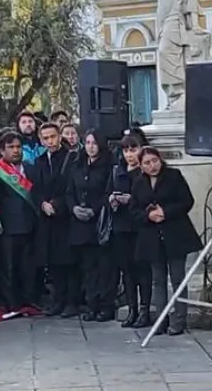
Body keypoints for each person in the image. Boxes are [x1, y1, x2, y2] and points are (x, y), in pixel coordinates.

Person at [131, 147, 202, 335]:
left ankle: (179, 319)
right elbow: (134, 210)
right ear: (141, 165)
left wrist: (166, 212)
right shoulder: (138, 183)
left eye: (154, 161)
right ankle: (161, 319)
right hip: (152, 237)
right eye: (147, 163)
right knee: (158, 280)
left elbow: (187, 201)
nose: (152, 166)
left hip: (175, 233)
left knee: (178, 278)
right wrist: (149, 215)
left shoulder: (173, 176)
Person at [67, 129, 115, 322]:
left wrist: (94, 210)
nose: (91, 147)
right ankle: (91, 304)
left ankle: (106, 305)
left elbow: (108, 192)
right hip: (80, 224)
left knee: (104, 266)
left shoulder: (109, 166)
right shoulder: (77, 165)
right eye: (87, 143)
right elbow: (69, 191)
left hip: (100, 222)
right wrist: (74, 208)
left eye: (94, 143)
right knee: (88, 268)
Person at [0, 131, 39, 319]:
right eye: (11, 147)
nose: (16, 151)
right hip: (7, 226)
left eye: (18, 147)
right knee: (8, 266)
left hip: (29, 223)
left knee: (28, 265)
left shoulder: (30, 168)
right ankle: (10, 302)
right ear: (2, 150)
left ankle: (28, 298)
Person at [31, 123, 78, 317]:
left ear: (59, 136)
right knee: (54, 262)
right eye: (45, 138)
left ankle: (72, 302)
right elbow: (35, 187)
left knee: (69, 262)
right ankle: (58, 300)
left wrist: (57, 205)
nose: (50, 141)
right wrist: (42, 203)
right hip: (46, 217)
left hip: (65, 216)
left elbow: (71, 186)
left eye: (53, 137)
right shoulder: (40, 160)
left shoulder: (71, 157)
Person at [109, 133, 151, 328]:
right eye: (126, 150)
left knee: (142, 269)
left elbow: (149, 199)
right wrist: (112, 199)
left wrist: (131, 200)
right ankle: (132, 309)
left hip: (139, 227)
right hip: (121, 225)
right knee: (127, 271)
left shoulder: (145, 172)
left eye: (133, 150)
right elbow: (107, 191)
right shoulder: (117, 170)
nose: (129, 155)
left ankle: (145, 310)